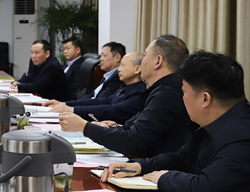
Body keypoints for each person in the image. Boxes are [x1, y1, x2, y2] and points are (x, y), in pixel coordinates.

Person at [102, 51, 250, 192]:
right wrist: (140, 166)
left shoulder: (242, 134)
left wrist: (163, 178)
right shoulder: (214, 122)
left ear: (205, 99)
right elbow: (182, 158)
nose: (182, 98)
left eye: (184, 92)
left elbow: (206, 189)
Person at [59, 35, 190, 158]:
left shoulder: (167, 94)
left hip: (158, 169)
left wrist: (84, 126)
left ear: (158, 61)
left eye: (145, 55)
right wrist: (115, 128)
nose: (142, 62)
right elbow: (134, 128)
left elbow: (133, 142)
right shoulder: (161, 89)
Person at [45, 52, 146, 124]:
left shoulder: (140, 92)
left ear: (137, 69)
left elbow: (113, 110)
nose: (119, 70)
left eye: (123, 66)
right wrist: (66, 104)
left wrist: (72, 109)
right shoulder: (125, 87)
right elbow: (103, 101)